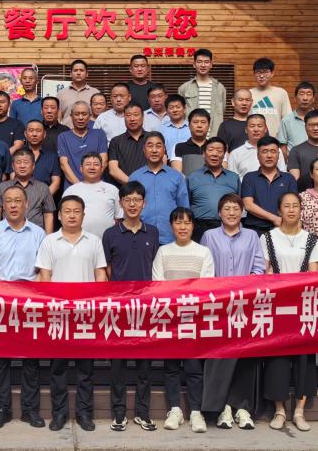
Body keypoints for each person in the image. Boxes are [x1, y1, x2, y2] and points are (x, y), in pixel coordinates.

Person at [36, 194, 108, 432]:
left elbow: (100, 274)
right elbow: (44, 276)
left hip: (85, 314)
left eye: (77, 211)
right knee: (57, 368)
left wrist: (97, 302)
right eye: (67, 211)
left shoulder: (94, 241)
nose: (72, 215)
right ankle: (59, 413)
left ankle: (84, 413)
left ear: (83, 215)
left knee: (85, 369)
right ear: (59, 215)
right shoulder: (49, 241)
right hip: (58, 314)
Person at [0, 187, 47, 430]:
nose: (14, 205)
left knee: (31, 360)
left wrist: (31, 294)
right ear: (3, 205)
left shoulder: (38, 233)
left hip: (29, 302)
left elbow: (43, 269)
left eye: (18, 200)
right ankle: (2, 409)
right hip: (1, 301)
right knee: (1, 360)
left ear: (26, 204)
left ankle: (30, 410)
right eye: (9, 201)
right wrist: (2, 292)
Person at [200, 194, 264, 430]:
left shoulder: (252, 236)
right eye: (226, 208)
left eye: (236, 208)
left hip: (245, 304)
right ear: (219, 213)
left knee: (244, 356)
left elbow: (259, 268)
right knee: (220, 357)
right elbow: (205, 268)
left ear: (242, 212)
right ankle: (223, 407)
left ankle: (242, 407)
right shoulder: (209, 236)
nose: (231, 213)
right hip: (217, 305)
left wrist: (244, 287)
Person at [261, 192, 318, 432]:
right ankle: (279, 410)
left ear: (301, 209)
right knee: (277, 358)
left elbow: (314, 272)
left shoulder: (311, 239)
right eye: (286, 206)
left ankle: (299, 410)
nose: (291, 210)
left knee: (304, 358)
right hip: (276, 304)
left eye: (295, 206)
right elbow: (264, 271)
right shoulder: (268, 237)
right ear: (279, 210)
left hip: (304, 304)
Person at [103, 181, 160, 433]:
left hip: (146, 307)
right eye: (128, 200)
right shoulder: (110, 234)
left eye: (137, 199)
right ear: (121, 204)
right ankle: (119, 412)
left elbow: (155, 265)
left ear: (144, 203)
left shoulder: (153, 232)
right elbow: (107, 269)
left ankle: (143, 412)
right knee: (118, 365)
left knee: (144, 365)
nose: (132, 204)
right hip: (119, 307)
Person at [153, 208, 213, 433]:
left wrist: (185, 303)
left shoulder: (203, 252)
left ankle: (196, 412)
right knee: (171, 367)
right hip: (169, 319)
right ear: (171, 226)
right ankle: (175, 410)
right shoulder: (163, 251)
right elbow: (158, 284)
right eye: (178, 223)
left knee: (194, 368)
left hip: (194, 319)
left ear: (193, 226)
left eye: (187, 223)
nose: (182, 227)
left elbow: (206, 285)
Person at [129, 133, 189, 245]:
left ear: (164, 149)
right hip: (141, 236)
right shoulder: (135, 177)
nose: (154, 150)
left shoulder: (176, 177)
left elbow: (184, 209)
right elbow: (129, 208)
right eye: (150, 146)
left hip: (170, 237)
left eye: (158, 146)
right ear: (144, 149)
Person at [239, 136, 298, 234]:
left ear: (278, 155)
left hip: (282, 230)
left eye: (273, 151)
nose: (269, 155)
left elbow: (293, 205)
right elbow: (248, 205)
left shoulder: (289, 178)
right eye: (264, 151)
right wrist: (274, 218)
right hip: (255, 230)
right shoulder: (249, 178)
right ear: (258, 155)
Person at [186, 138, 239, 241]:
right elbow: (186, 205)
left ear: (224, 155)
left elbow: (239, 205)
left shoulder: (234, 178)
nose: (215, 154)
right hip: (199, 227)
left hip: (226, 226)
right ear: (203, 154)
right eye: (210, 150)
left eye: (219, 151)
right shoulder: (192, 177)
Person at [0, 148, 55, 231]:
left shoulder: (43, 188)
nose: (22, 166)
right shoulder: (2, 187)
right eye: (18, 162)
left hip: (35, 234)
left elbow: (48, 215)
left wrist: (48, 237)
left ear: (33, 166)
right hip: (8, 234)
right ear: (13, 166)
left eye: (26, 162)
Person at [63, 153, 121, 239]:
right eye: (88, 164)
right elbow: (64, 218)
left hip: (107, 241)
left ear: (102, 168)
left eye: (96, 164)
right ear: (81, 168)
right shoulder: (71, 191)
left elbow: (119, 217)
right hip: (78, 241)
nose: (92, 167)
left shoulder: (112, 190)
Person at [57, 101, 108, 187]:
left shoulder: (99, 134)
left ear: (89, 116)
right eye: (77, 114)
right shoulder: (63, 137)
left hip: (97, 185)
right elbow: (64, 164)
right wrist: (80, 187)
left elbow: (104, 160)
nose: (80, 117)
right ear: (71, 116)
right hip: (73, 186)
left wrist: (91, 183)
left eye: (84, 114)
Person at [179, 48, 226, 136]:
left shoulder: (220, 88)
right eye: (199, 62)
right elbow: (181, 114)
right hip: (191, 136)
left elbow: (222, 110)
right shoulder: (184, 88)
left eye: (206, 62)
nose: (203, 65)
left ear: (211, 64)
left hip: (214, 137)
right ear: (194, 64)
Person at [278, 82, 318, 149]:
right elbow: (283, 146)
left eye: (309, 94)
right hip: (294, 155)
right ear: (295, 98)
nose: (305, 98)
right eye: (301, 94)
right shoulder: (286, 120)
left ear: (313, 98)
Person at [248, 58, 291, 138]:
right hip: (254, 140)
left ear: (272, 73)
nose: (261, 76)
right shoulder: (249, 94)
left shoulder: (281, 93)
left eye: (265, 72)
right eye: (258, 72)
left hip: (276, 140)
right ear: (254, 74)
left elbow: (287, 119)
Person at [107, 103, 147, 185]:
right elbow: (113, 170)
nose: (132, 119)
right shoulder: (115, 141)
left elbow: (161, 163)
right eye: (128, 115)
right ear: (124, 118)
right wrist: (133, 186)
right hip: (125, 189)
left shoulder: (153, 138)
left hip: (152, 187)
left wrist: (148, 184)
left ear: (143, 117)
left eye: (136, 115)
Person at [286, 110, 318, 180]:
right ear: (305, 127)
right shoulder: (296, 151)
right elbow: (295, 180)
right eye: (311, 125)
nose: (315, 128)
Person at [23, 120, 62, 197]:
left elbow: (56, 183)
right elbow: (13, 180)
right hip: (22, 200)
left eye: (38, 131)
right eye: (31, 130)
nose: (34, 134)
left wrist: (41, 199)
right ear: (25, 134)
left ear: (44, 134)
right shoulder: (18, 155)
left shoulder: (52, 156)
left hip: (45, 200)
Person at [58, 59, 99, 126]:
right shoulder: (61, 93)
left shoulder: (95, 93)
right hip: (67, 131)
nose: (78, 73)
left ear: (87, 74)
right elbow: (58, 118)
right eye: (75, 70)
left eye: (81, 70)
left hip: (90, 131)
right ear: (70, 74)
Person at [171, 108, 210, 175]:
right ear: (189, 125)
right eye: (195, 122)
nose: (199, 126)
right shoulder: (179, 147)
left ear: (208, 126)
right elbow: (178, 175)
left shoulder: (215, 147)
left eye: (203, 122)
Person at [159, 94, 190, 162]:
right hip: (168, 164)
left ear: (184, 109)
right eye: (171, 108)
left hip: (189, 163)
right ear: (166, 111)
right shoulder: (160, 130)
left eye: (178, 107)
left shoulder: (192, 128)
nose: (175, 110)